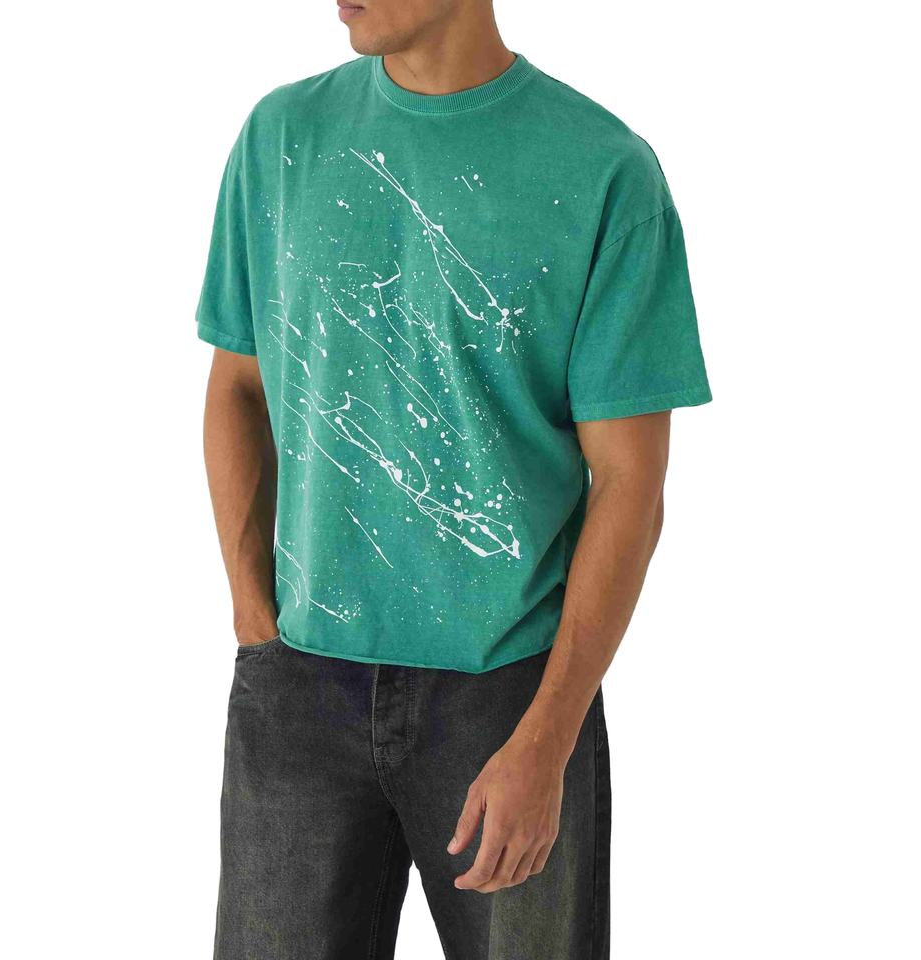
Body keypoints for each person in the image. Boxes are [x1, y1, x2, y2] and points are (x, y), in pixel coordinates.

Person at [197, 1, 710, 956]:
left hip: (507, 695)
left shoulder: (603, 170)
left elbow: (630, 485)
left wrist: (548, 735)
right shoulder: (281, 138)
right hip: (300, 681)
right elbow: (236, 385)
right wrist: (254, 615)